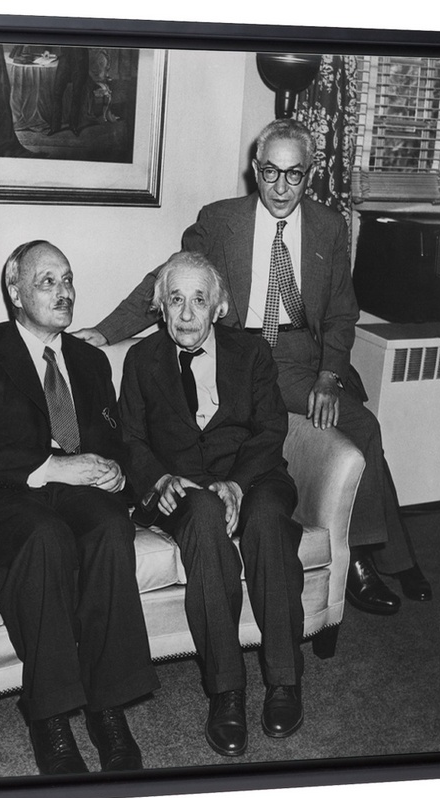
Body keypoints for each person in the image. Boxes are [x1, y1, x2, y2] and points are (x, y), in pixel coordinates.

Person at [74, 118, 431, 616]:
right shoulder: (220, 221)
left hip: (300, 358)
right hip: (239, 354)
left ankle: (373, 554)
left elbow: (341, 313)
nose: (281, 187)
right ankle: (372, 559)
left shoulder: (329, 226)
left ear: (310, 174)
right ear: (255, 169)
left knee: (361, 426)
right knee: (363, 430)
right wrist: (106, 331)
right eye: (270, 172)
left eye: (294, 174)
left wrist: (329, 376)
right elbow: (166, 278)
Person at [0, 240, 159, 775]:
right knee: (45, 536)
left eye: (68, 279)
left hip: (72, 491)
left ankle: (108, 707)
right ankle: (50, 715)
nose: (64, 292)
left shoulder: (89, 359)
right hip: (2, 493)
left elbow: (112, 439)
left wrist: (116, 471)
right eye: (47, 282)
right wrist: (51, 466)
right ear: (15, 292)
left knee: (110, 527)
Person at [119, 251, 305, 757]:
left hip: (254, 476)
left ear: (218, 307)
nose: (186, 314)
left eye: (198, 300)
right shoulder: (141, 360)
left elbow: (271, 429)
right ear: (160, 306)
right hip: (182, 488)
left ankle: (284, 680)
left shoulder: (252, 353)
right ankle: (227, 690)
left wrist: (239, 484)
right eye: (175, 299)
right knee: (202, 515)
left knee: (267, 520)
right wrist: (158, 479)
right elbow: (131, 439)